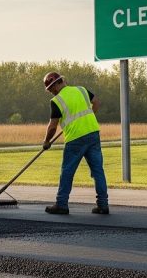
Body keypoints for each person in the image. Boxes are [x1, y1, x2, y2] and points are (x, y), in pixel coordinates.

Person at [41, 71, 109, 215]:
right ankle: (103, 205)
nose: (51, 92)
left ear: (55, 86)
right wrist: (89, 116)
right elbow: (96, 102)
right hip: (93, 133)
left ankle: (61, 204)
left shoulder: (57, 101)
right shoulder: (81, 90)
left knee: (67, 172)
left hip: (75, 139)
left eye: (51, 89)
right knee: (98, 171)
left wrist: (46, 141)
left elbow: (52, 126)